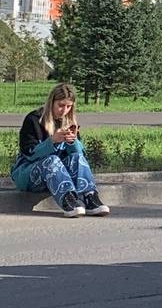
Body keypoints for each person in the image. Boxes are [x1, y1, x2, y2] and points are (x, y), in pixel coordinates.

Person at [11, 83, 109, 218]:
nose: (64, 110)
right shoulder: (33, 119)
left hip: (59, 175)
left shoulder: (69, 122)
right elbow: (29, 153)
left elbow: (80, 157)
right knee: (52, 160)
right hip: (29, 174)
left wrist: (73, 142)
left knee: (76, 158)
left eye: (68, 106)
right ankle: (68, 200)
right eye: (61, 105)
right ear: (51, 103)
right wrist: (52, 141)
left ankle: (89, 197)